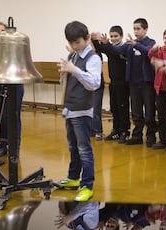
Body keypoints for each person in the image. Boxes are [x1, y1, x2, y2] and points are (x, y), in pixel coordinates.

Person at [56, 20, 102, 202]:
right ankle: (74, 178)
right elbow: (67, 82)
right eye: (71, 43)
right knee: (73, 147)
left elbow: (94, 83)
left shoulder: (94, 58)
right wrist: (64, 72)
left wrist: (74, 70)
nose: (74, 46)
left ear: (87, 38)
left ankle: (87, 185)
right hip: (70, 108)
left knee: (84, 149)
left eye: (77, 42)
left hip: (82, 110)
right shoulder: (72, 56)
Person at [100, 18, 157, 147]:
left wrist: (136, 45)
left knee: (149, 113)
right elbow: (118, 51)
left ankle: (151, 136)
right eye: (134, 29)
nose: (136, 31)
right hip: (133, 83)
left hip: (147, 83)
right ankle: (137, 135)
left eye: (138, 29)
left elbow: (149, 52)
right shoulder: (131, 44)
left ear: (145, 29)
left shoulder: (150, 42)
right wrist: (107, 44)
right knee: (136, 112)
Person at [0, 21, 24, 158]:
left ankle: (15, 147)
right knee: (2, 116)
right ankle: (2, 145)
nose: (0, 33)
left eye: (3, 30)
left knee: (13, 115)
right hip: (0, 83)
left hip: (15, 84)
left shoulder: (14, 45)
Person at [91, 25, 130, 144]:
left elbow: (115, 51)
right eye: (111, 36)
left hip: (123, 83)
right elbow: (99, 46)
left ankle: (124, 131)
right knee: (114, 107)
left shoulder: (125, 47)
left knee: (123, 108)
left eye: (116, 36)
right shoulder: (110, 47)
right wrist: (93, 38)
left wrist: (106, 44)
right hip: (113, 83)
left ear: (121, 36)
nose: (113, 38)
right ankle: (116, 130)